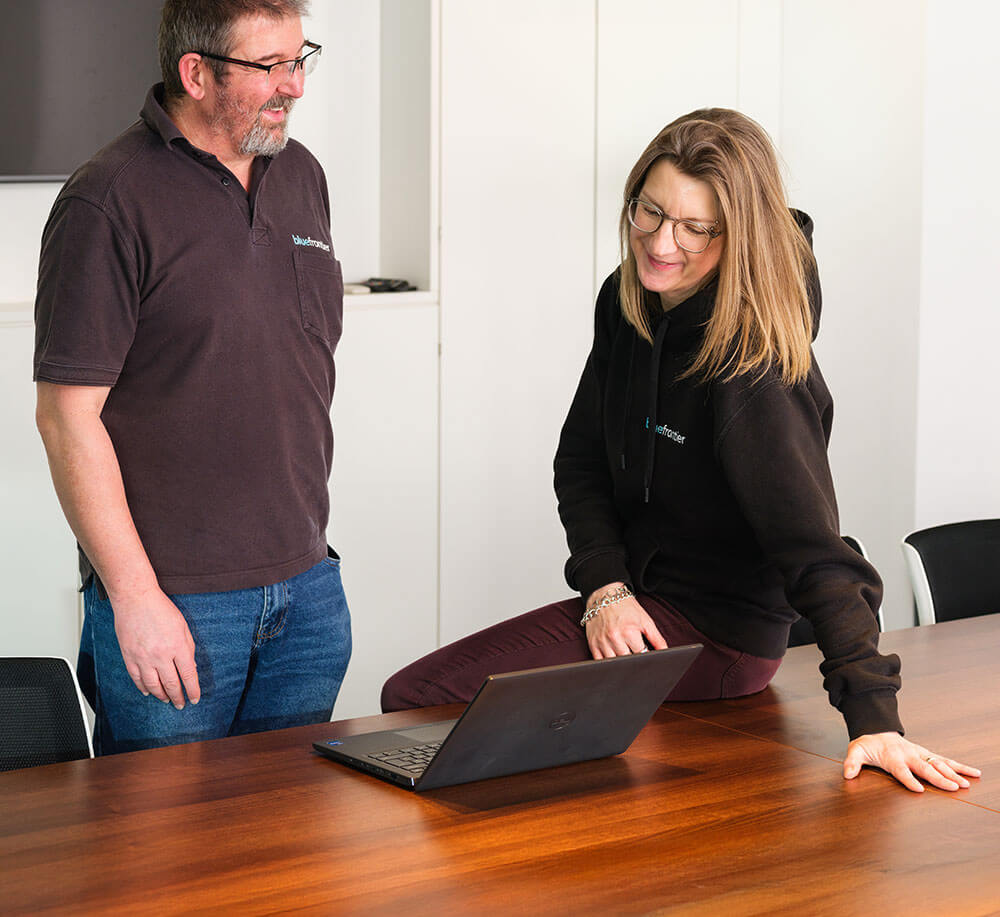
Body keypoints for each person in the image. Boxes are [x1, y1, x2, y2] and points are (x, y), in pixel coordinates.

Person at [382, 107, 979, 794]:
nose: (662, 243)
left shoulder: (748, 368)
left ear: (739, 234)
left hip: (719, 638)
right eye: (651, 212)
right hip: (641, 605)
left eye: (695, 228)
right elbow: (581, 460)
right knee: (418, 699)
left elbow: (814, 548)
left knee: (416, 695)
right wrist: (604, 585)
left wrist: (874, 718)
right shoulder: (630, 298)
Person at [34, 0, 351, 755]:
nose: (295, 85)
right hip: (176, 603)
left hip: (307, 589)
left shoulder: (301, 175)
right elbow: (68, 419)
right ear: (196, 72)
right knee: (161, 859)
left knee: (285, 851)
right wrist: (134, 596)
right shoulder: (107, 201)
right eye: (271, 65)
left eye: (300, 59)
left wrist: (313, 573)